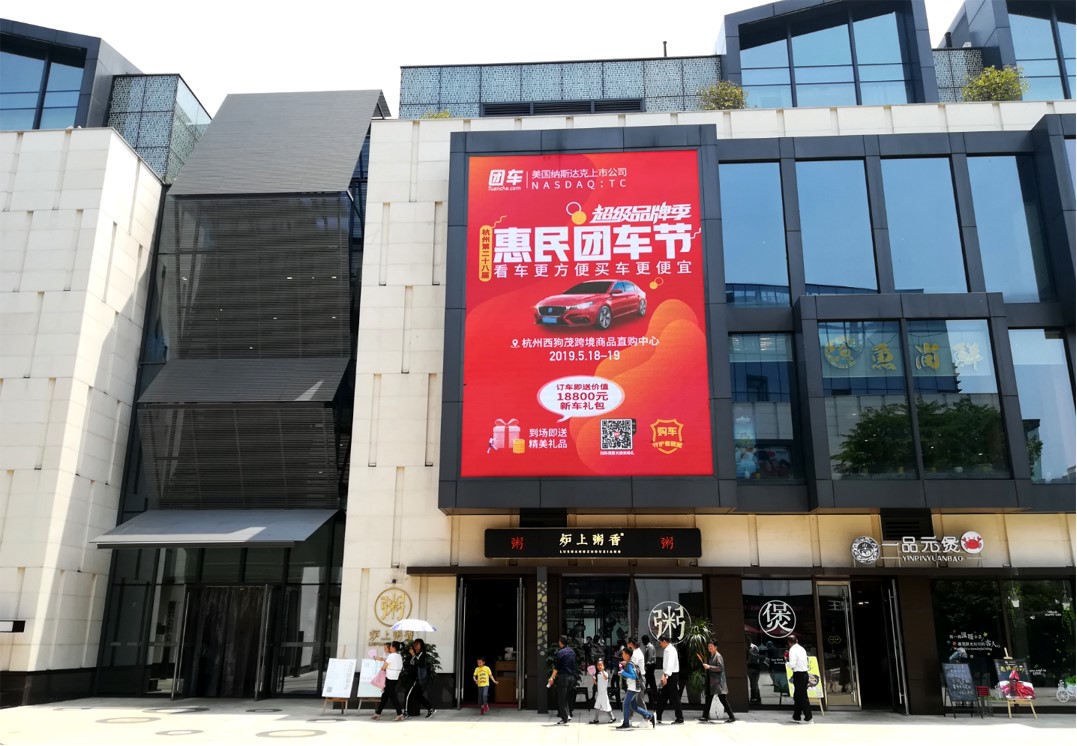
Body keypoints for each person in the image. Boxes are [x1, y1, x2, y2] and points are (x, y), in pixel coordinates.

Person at [616, 646, 656, 730]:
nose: (622, 655)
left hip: (632, 688)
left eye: (623, 654)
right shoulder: (631, 663)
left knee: (625, 704)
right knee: (634, 707)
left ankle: (626, 723)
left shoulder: (629, 664)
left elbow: (633, 676)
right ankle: (650, 716)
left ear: (627, 655)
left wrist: (623, 672)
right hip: (634, 687)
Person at [700, 640, 736, 723]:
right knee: (708, 699)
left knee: (723, 699)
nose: (710, 647)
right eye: (709, 646)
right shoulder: (711, 655)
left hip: (718, 683)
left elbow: (720, 668)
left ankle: (732, 717)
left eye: (711, 646)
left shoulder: (718, 656)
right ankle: (704, 716)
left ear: (715, 647)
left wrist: (709, 667)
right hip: (712, 682)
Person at [547, 634, 577, 726]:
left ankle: (565, 718)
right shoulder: (572, 651)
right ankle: (567, 715)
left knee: (561, 699)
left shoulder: (560, 653)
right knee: (565, 697)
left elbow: (556, 668)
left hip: (563, 678)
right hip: (572, 677)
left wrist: (551, 677)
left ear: (560, 642)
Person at [372, 641, 405, 721]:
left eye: (391, 647)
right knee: (385, 696)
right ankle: (378, 713)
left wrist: (382, 671)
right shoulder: (399, 656)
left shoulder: (391, 655)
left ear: (394, 648)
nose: (389, 648)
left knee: (393, 697)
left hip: (389, 678)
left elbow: (384, 666)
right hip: (395, 678)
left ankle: (400, 714)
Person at [655, 634, 684, 724]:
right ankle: (658, 716)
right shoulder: (668, 649)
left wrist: (666, 676)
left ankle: (680, 718)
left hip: (671, 675)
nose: (660, 644)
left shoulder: (670, 650)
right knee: (663, 697)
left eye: (660, 642)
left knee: (674, 697)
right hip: (669, 675)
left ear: (664, 641)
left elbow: (670, 664)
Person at [406, 638, 436, 719]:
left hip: (417, 678)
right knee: (418, 696)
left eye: (417, 644)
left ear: (421, 645)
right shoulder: (414, 653)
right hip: (412, 677)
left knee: (408, 694)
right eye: (414, 644)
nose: (415, 646)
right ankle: (430, 708)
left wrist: (413, 655)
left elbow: (420, 664)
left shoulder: (422, 654)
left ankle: (405, 712)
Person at [787, 635, 812, 723]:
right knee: (798, 696)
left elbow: (792, 664)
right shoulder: (802, 649)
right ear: (796, 640)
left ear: (789, 642)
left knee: (801, 697)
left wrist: (786, 662)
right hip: (804, 673)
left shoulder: (792, 650)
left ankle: (809, 717)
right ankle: (796, 716)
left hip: (799, 674)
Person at [590, 659, 615, 724]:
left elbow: (606, 678)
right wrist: (593, 679)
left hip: (604, 694)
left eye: (601, 665)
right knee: (596, 706)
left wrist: (603, 671)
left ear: (603, 666)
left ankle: (612, 717)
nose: (599, 666)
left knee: (607, 707)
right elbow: (596, 684)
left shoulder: (605, 673)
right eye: (598, 665)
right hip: (600, 694)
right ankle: (596, 720)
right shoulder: (598, 674)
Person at [641, 634, 659, 708]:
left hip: (650, 666)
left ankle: (653, 697)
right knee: (650, 682)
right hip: (649, 665)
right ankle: (653, 698)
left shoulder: (650, 647)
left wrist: (646, 666)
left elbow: (650, 658)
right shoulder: (647, 647)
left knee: (648, 681)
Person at [746, 639, 762, 704]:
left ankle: (756, 697)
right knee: (752, 683)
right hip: (749, 667)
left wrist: (749, 652)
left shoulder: (754, 647)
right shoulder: (746, 647)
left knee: (754, 683)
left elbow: (757, 657)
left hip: (755, 667)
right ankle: (754, 697)